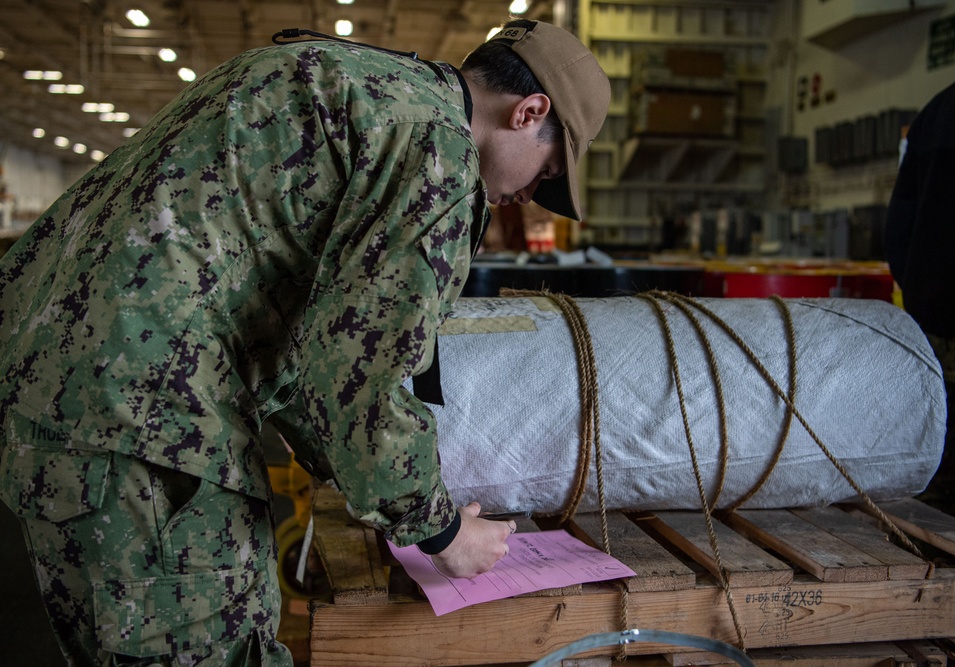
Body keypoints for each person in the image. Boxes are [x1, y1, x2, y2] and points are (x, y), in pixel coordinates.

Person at [0, 17, 610, 667]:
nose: (522, 198)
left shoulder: (336, 75)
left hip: (57, 378)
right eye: (544, 175)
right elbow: (355, 375)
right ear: (529, 112)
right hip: (147, 416)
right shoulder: (436, 147)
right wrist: (442, 529)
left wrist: (362, 479)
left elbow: (300, 342)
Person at [885, 3, 955, 534]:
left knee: (937, 495)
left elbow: (898, 237)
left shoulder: (938, 111)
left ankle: (934, 613)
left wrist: (933, 304)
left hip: (934, 347)